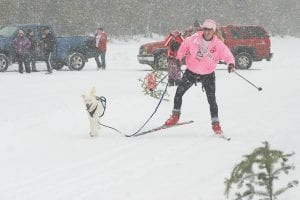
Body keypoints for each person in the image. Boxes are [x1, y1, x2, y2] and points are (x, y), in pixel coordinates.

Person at [164, 19, 236, 135]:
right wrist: (178, 59)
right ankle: (175, 117)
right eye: (205, 29)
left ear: (213, 31)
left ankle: (216, 124)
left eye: (209, 30)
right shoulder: (193, 39)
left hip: (208, 75)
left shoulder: (218, 45)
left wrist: (231, 64)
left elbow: (228, 55)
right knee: (179, 93)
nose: (206, 32)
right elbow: (183, 47)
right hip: (191, 72)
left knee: (212, 100)